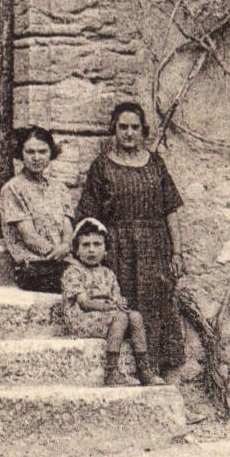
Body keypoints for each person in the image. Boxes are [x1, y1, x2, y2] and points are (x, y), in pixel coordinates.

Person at [75, 101, 186, 379]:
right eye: (122, 127)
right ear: (114, 130)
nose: (128, 133)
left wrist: (177, 253)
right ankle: (122, 371)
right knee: (123, 307)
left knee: (155, 305)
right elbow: (88, 216)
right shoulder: (102, 167)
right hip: (118, 250)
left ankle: (156, 371)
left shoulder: (155, 164)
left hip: (153, 248)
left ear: (143, 131)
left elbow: (170, 210)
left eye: (134, 127)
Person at [60, 217, 162, 386]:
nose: (92, 250)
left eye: (97, 244)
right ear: (76, 250)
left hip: (107, 315)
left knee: (135, 316)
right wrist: (111, 307)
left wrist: (120, 303)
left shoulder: (108, 273)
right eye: (85, 245)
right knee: (120, 318)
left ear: (106, 250)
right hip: (82, 319)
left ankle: (144, 369)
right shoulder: (73, 272)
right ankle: (112, 371)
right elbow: (84, 303)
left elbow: (117, 298)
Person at [0, 126, 73, 291]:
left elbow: (67, 225)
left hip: (61, 262)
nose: (36, 158)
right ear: (21, 154)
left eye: (42, 151)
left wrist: (66, 245)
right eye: (30, 152)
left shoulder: (59, 188)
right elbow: (29, 237)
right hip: (34, 266)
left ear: (51, 153)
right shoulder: (13, 189)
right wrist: (57, 253)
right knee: (84, 284)